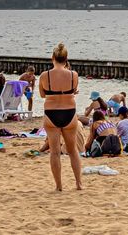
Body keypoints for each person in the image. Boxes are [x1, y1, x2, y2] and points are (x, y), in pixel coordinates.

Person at [38, 43, 83, 191]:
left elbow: (43, 95)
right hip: (69, 112)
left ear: (53, 58)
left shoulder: (45, 76)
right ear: (66, 59)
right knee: (73, 151)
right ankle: (78, 183)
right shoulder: (73, 75)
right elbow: (74, 90)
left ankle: (59, 186)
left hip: (51, 113)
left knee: (55, 152)